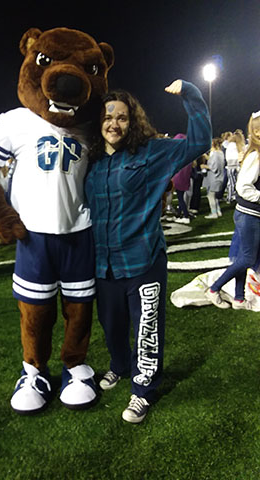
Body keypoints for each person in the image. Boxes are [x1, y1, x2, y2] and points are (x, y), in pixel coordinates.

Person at [85, 79, 211, 423]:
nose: (114, 123)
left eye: (122, 117)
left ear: (132, 121)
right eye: (108, 116)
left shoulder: (153, 153)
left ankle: (143, 389)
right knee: (111, 325)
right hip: (104, 264)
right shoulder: (91, 161)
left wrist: (191, 93)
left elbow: (199, 140)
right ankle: (120, 366)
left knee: (147, 329)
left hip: (143, 261)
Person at [205, 111, 260, 310]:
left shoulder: (254, 153)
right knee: (247, 258)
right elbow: (243, 187)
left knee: (243, 256)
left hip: (250, 215)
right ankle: (214, 288)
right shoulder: (256, 155)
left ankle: (238, 298)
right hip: (250, 215)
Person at [201, 137, 225, 219]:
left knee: (210, 196)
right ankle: (218, 211)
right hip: (219, 177)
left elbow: (214, 167)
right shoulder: (220, 153)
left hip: (214, 178)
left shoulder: (215, 154)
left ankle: (214, 213)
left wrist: (204, 166)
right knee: (214, 196)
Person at [171, 134, 192, 224]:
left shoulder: (178, 153)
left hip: (179, 178)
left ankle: (186, 215)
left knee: (180, 198)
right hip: (185, 177)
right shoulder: (188, 152)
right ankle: (179, 214)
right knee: (181, 196)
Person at [225, 130, 245, 203]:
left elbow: (228, 157)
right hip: (239, 166)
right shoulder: (241, 145)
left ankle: (230, 197)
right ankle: (238, 196)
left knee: (231, 183)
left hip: (231, 167)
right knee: (238, 182)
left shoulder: (230, 145)